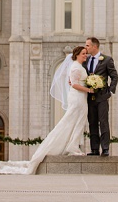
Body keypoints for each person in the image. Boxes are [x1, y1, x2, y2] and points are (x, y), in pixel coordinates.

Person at [25, 46, 91, 174]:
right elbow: (75, 84)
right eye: (83, 53)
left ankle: (73, 145)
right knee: (72, 121)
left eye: (86, 54)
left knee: (79, 122)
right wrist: (89, 89)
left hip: (81, 98)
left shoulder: (79, 66)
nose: (85, 55)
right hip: (77, 98)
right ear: (77, 54)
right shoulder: (76, 67)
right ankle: (72, 146)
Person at [84, 36, 118, 155]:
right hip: (89, 97)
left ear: (95, 46)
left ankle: (105, 148)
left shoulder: (107, 60)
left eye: (87, 45)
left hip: (102, 97)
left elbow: (114, 76)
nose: (86, 47)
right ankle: (94, 149)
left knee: (103, 122)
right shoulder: (86, 60)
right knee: (92, 122)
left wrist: (110, 91)